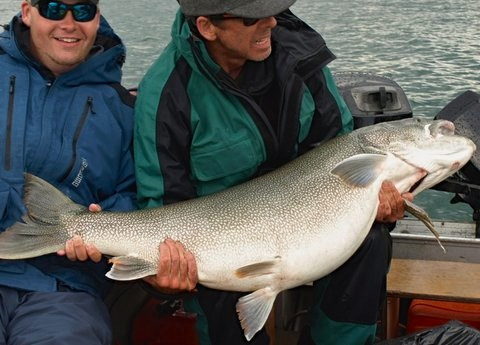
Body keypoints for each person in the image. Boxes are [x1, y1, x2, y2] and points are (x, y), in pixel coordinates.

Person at [133, 0, 410, 344]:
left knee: (371, 239)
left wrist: (377, 197)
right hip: (220, 242)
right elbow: (163, 206)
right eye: (253, 17)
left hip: (310, 217)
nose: (271, 23)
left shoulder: (303, 58)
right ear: (207, 27)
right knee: (217, 298)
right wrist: (166, 271)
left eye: (274, 9)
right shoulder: (166, 94)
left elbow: (343, 151)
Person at [0, 0, 137, 344]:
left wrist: (102, 229)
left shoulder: (124, 109)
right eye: (54, 8)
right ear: (27, 11)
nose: (68, 23)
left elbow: (134, 195)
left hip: (63, 288)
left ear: (97, 18)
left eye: (82, 11)